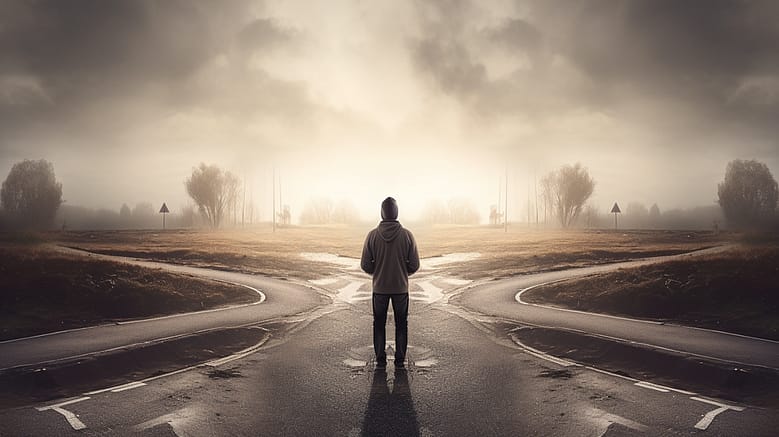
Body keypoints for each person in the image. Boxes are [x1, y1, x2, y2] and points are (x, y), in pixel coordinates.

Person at [361, 197, 420, 369]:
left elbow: (365, 264)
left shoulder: (372, 235)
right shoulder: (407, 235)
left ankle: (380, 359)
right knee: (401, 324)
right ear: (396, 213)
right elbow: (415, 264)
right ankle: (400, 360)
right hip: (401, 288)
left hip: (379, 288)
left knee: (379, 324)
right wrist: (401, 272)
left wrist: (378, 271)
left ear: (382, 213)